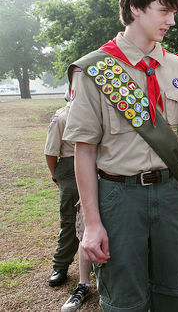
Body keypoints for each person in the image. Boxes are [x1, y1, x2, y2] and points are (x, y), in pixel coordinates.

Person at [63, 0, 178, 311]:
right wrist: (92, 224)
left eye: (174, 12)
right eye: (164, 11)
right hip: (118, 197)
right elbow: (84, 150)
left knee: (175, 291)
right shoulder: (96, 69)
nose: (172, 21)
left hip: (170, 192)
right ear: (135, 8)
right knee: (124, 296)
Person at [44, 97, 93, 311]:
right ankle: (61, 266)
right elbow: (50, 151)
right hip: (70, 166)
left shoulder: (94, 109)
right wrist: (58, 177)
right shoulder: (63, 116)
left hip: (95, 164)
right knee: (71, 222)